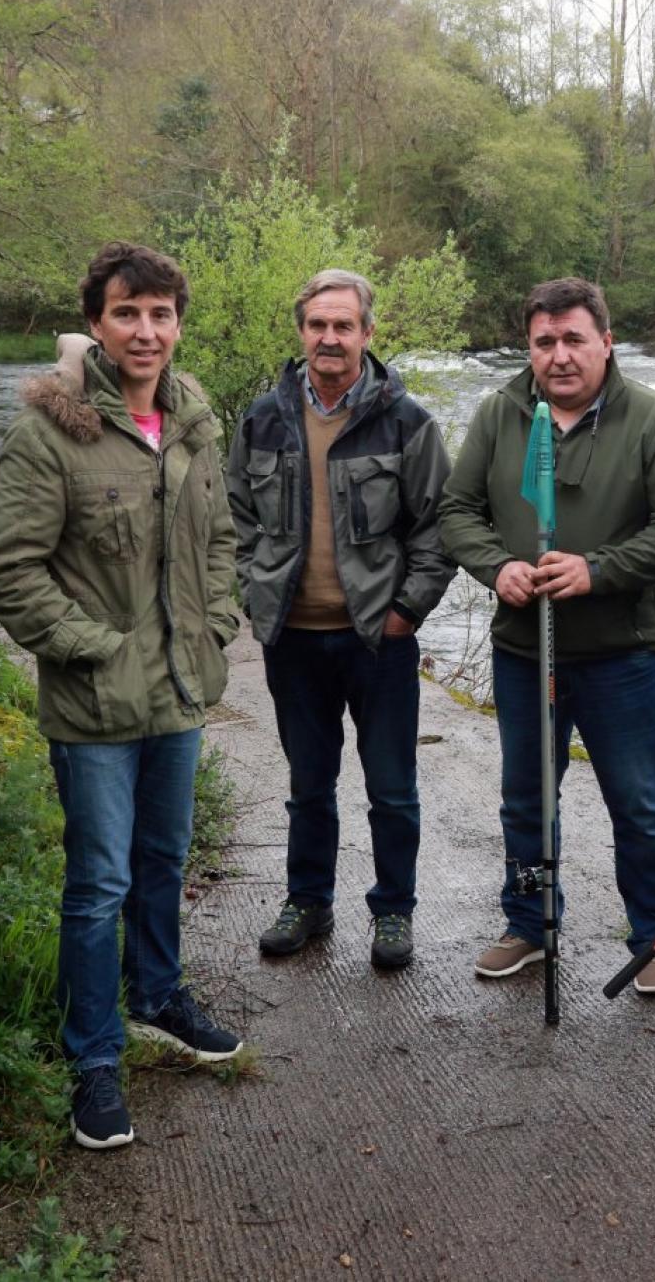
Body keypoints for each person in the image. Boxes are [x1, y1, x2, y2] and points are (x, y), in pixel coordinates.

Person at [0, 242, 243, 1151]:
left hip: (179, 695)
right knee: (99, 884)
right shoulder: (51, 433)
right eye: (128, 312)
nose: (146, 330)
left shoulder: (195, 419)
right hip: (94, 707)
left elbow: (216, 539)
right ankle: (93, 1055)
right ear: (95, 323)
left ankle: (158, 997)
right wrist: (95, 649)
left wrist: (219, 622)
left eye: (161, 314)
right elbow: (4, 571)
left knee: (165, 858)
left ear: (176, 325)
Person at [438, 277, 655, 993]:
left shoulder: (654, 420)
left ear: (606, 342)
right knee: (527, 796)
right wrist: (498, 568)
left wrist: (600, 571)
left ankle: (651, 931)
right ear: (529, 346)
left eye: (573, 340)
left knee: (640, 801)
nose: (558, 356)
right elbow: (457, 510)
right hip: (525, 651)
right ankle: (528, 923)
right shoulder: (501, 415)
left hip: (622, 654)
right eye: (544, 342)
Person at [225, 269, 454, 970]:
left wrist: (406, 610)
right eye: (318, 325)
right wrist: (254, 591)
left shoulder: (406, 421)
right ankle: (308, 901)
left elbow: (438, 527)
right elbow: (232, 517)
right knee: (307, 785)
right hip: (292, 637)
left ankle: (393, 912)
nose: (330, 338)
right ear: (301, 331)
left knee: (391, 788)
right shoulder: (262, 419)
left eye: (343, 325)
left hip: (376, 641)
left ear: (367, 334)